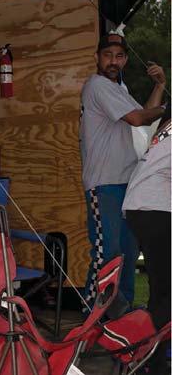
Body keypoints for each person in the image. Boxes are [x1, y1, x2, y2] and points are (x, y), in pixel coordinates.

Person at [79, 32, 166, 315]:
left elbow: (143, 115)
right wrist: (166, 109)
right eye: (107, 55)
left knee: (127, 253)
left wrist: (160, 85)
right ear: (96, 58)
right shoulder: (97, 85)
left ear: (126, 60)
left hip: (126, 184)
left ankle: (122, 315)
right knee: (107, 253)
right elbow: (139, 118)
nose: (113, 61)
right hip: (104, 184)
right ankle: (92, 316)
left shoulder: (119, 89)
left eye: (118, 56)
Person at [123, 101, 171, 375]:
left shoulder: (167, 126)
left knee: (162, 288)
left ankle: (152, 358)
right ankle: (152, 360)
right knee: (166, 292)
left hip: (143, 207)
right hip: (156, 208)